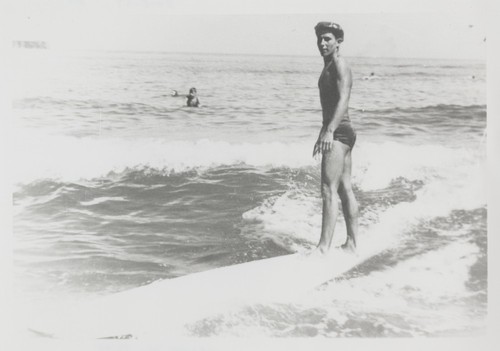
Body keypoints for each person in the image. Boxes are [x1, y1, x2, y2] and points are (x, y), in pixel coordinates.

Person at [312, 21, 359, 254]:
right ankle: (351, 244)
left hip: (340, 131)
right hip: (342, 131)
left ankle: (323, 248)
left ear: (338, 41)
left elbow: (342, 100)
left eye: (327, 39)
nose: (322, 43)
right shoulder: (329, 65)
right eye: (320, 39)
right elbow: (329, 106)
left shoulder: (339, 64)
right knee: (344, 188)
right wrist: (323, 132)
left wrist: (330, 131)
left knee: (327, 189)